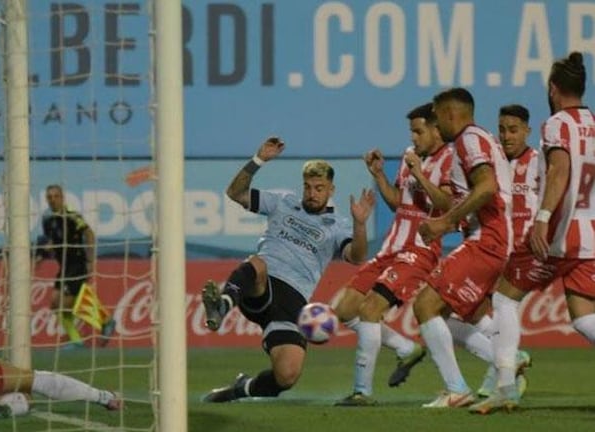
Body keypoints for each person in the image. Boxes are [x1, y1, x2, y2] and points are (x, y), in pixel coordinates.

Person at [200, 136, 375, 403]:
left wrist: (360, 224)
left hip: (293, 304)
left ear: (331, 189)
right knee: (258, 263)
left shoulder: (338, 225)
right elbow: (235, 194)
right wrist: (257, 161)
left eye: (319, 188)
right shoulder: (283, 201)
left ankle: (239, 389)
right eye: (308, 187)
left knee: (287, 376)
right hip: (262, 285)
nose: (312, 193)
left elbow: (357, 257)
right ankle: (222, 305)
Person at [470, 52, 595, 414]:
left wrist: (542, 218)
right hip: (589, 235)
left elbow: (559, 172)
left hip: (559, 234)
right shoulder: (593, 122)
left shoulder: (557, 124)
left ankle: (506, 386)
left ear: (554, 90)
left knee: (506, 297)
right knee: (582, 313)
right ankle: (505, 385)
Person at [333, 103, 453, 406]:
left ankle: (362, 392)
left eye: (418, 131)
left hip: (419, 250)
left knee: (371, 308)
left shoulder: (451, 159)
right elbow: (400, 203)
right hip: (391, 247)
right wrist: (378, 175)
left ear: (437, 129)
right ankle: (405, 349)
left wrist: (421, 174)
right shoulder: (408, 157)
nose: (413, 137)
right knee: (345, 307)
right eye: (411, 131)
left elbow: (447, 206)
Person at [412, 87, 513, 408]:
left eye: (437, 117)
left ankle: (457, 388)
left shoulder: (469, 139)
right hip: (492, 237)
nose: (435, 125)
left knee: (426, 305)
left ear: (451, 114)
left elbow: (487, 187)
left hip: (489, 237)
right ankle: (509, 358)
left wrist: (443, 223)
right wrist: (452, 216)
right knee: (462, 315)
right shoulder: (476, 139)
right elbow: (469, 195)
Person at [468, 104, 539, 398]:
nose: (507, 136)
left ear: (527, 131)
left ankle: (498, 380)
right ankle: (508, 367)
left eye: (513, 129)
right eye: (502, 129)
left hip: (524, 253)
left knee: (498, 311)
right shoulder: (492, 161)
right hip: (493, 246)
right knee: (474, 313)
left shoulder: (540, 162)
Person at [36, 184, 115, 347]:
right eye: (49, 197)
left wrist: (90, 260)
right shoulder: (47, 220)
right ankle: (81, 337)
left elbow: (89, 234)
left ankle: (100, 324)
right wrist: (40, 257)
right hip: (64, 267)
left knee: (65, 303)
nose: (52, 200)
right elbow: (51, 241)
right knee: (55, 304)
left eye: (56, 196)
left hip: (77, 265)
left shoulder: (72, 216)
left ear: (62, 197)